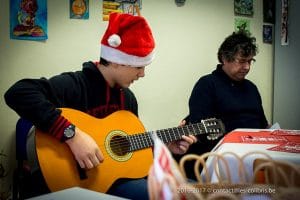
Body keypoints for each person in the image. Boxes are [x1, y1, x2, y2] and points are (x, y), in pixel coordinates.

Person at [4, 13, 197, 199]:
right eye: (138, 67)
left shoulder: (128, 99)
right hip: (78, 184)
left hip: (117, 179)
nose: (142, 74)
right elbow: (18, 92)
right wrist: (72, 135)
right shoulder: (75, 85)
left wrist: (162, 147)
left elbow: (127, 152)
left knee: (197, 189)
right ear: (115, 61)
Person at [174, 30, 269, 180]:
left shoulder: (251, 88)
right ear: (225, 58)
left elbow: (263, 125)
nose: (247, 67)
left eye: (250, 61)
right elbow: (200, 132)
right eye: (241, 61)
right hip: (220, 159)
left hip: (253, 155)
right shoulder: (207, 85)